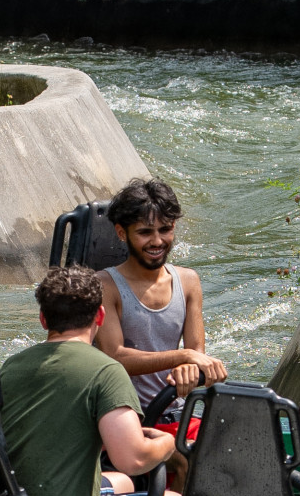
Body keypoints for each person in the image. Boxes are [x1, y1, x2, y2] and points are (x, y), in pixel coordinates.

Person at [0, 265, 181, 496]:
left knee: (122, 483)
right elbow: (133, 459)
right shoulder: (106, 371)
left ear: (44, 319)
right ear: (100, 316)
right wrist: (167, 444)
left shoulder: (12, 365)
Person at [90, 178, 227, 439]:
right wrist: (181, 357)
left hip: (179, 414)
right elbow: (115, 358)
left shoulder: (188, 281)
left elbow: (197, 353)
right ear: (122, 233)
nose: (157, 241)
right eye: (145, 232)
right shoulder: (104, 285)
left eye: (165, 230)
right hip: (127, 422)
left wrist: (189, 368)